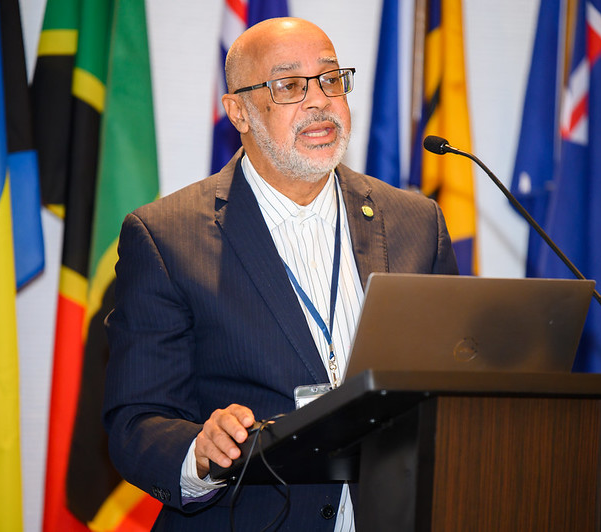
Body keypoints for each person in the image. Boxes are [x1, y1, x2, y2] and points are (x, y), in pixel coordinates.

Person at [103, 17, 459, 531]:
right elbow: (135, 423)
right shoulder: (166, 237)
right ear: (238, 112)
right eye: (289, 85)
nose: (319, 100)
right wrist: (199, 451)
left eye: (331, 79)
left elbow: (452, 378)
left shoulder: (415, 222)